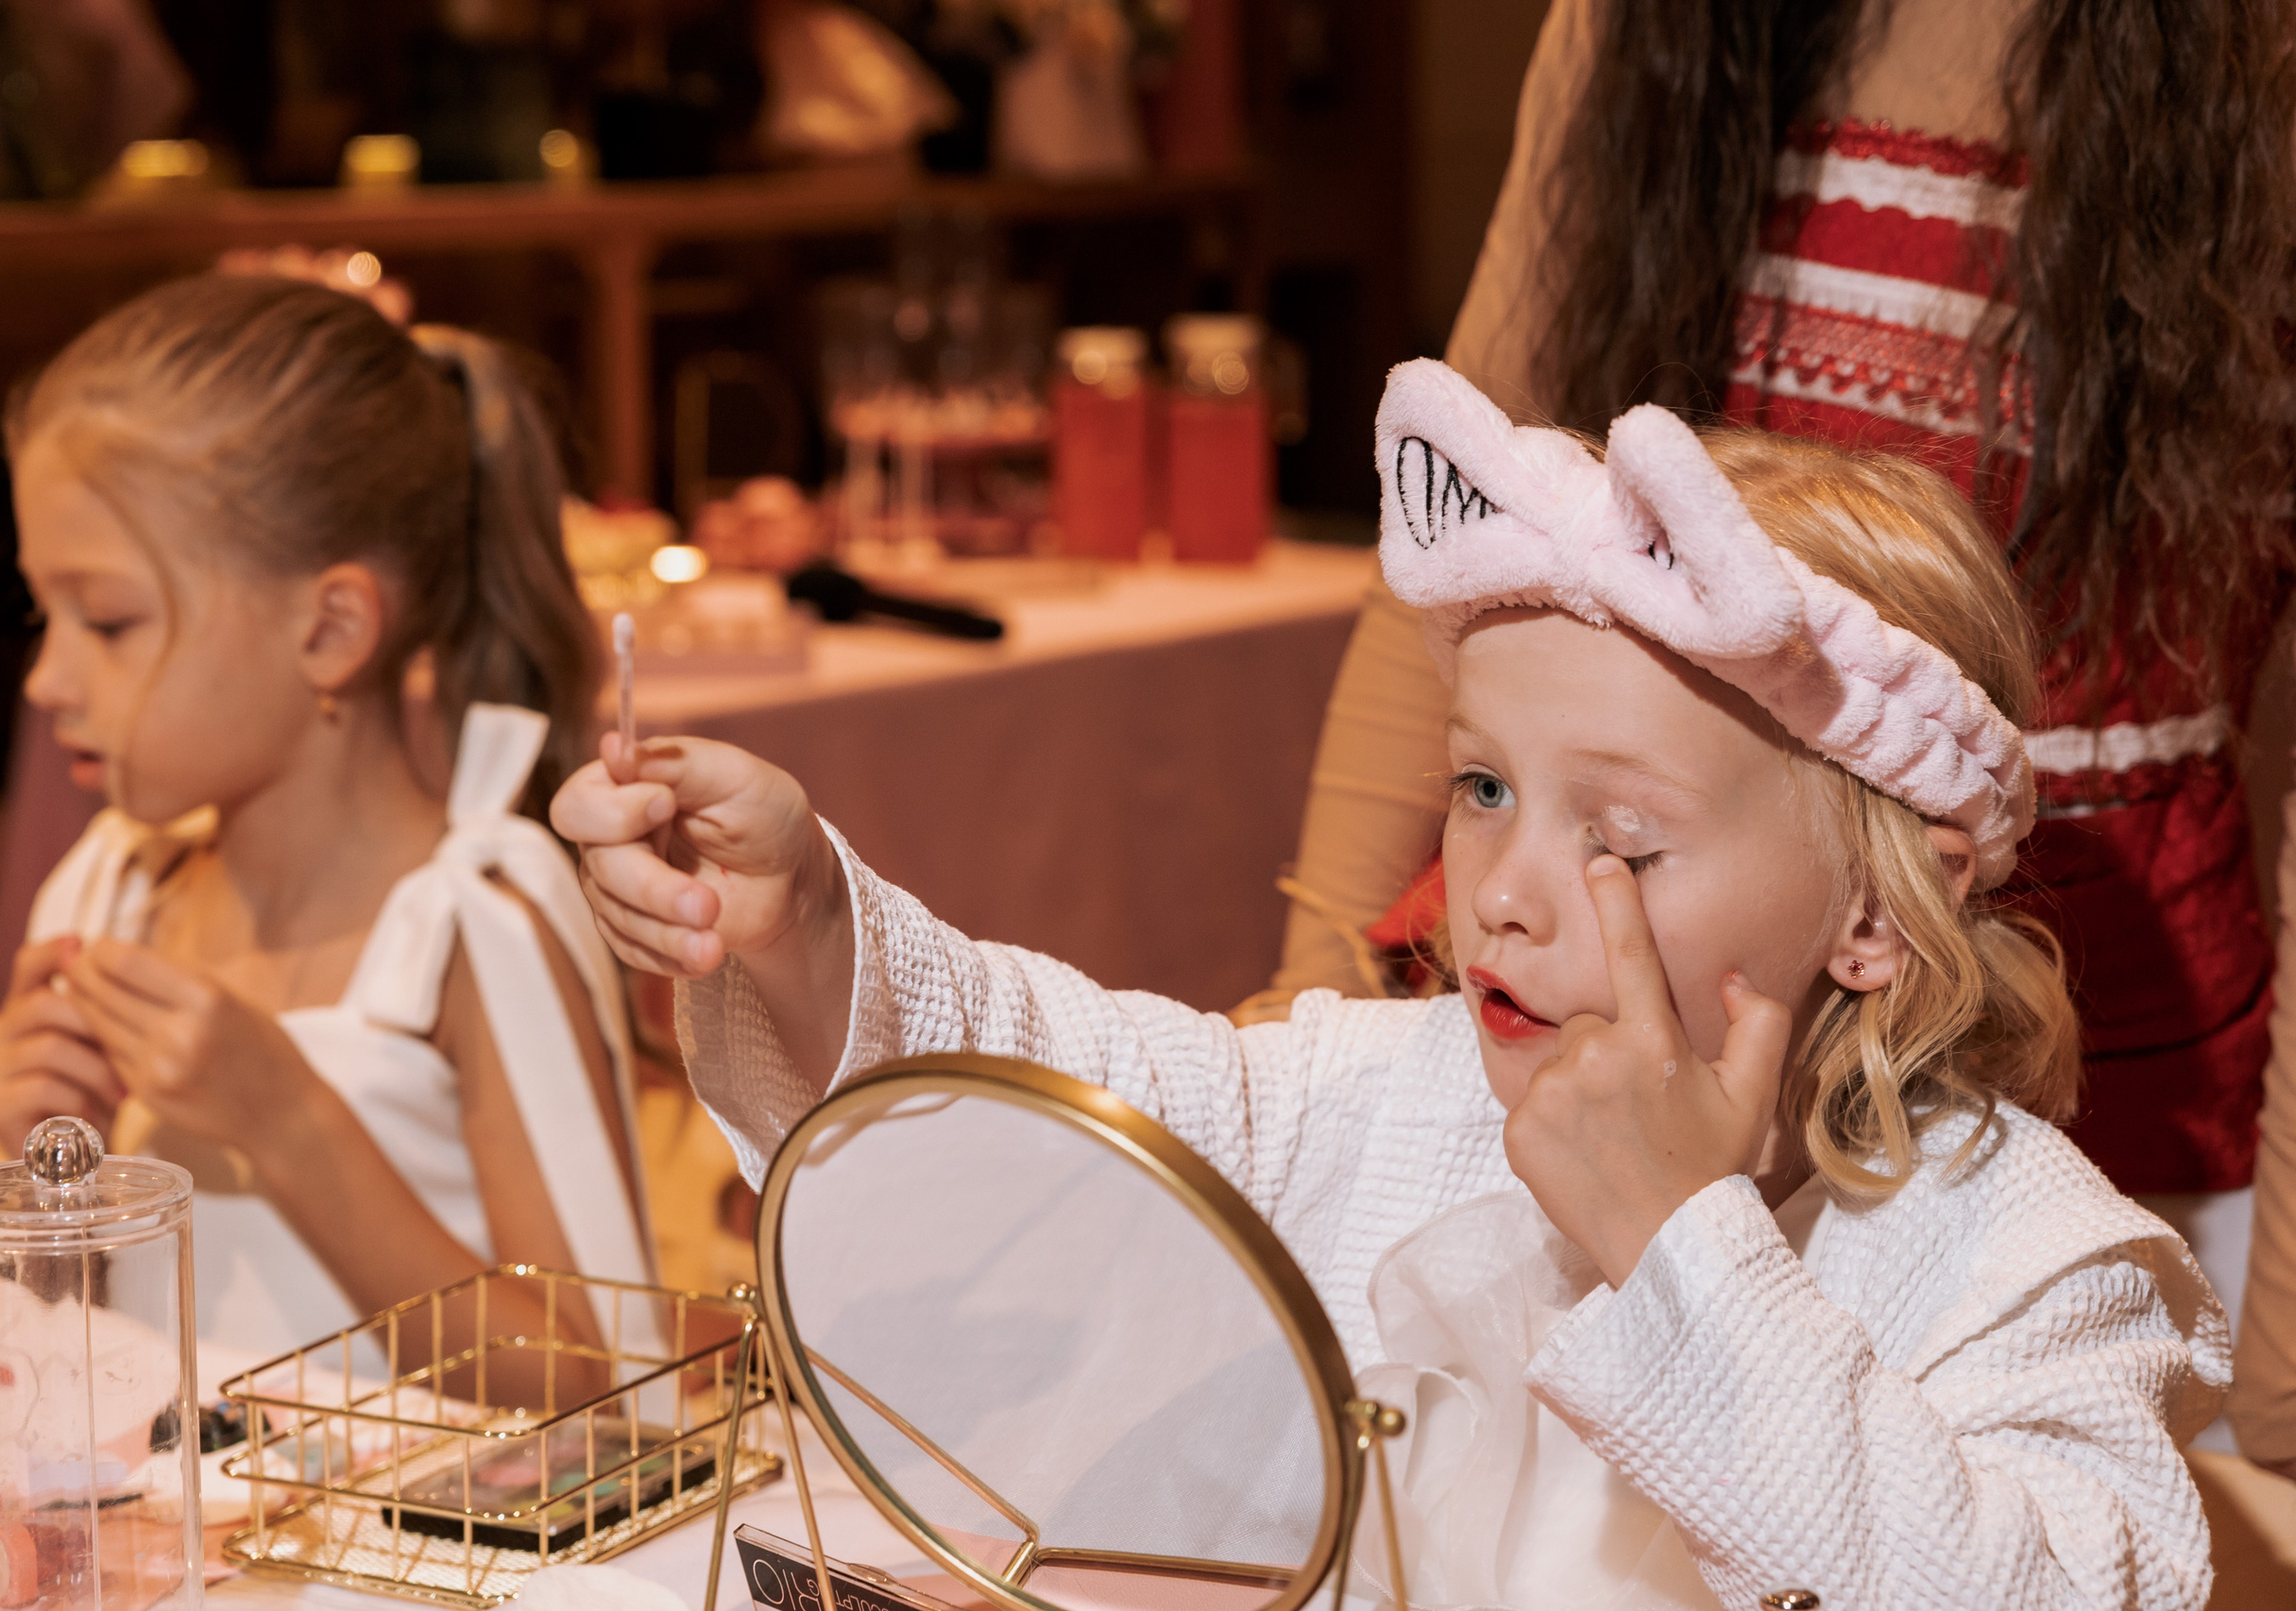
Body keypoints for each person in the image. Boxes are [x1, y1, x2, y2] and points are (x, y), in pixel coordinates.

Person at [554, 362, 2228, 1608]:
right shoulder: (1393, 1091)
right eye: (1486, 786)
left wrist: (1680, 1252)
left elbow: (2043, 1585)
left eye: (1621, 834)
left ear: (1878, 906)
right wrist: (805, 933)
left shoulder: (2030, 1268)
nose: (1498, 887)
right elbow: (1073, 1098)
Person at [1267, 0, 2296, 1470]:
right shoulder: (1637, 30)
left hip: (2119, 1102)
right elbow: (1464, 541)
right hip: (1673, 1049)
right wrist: (1321, 983)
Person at [0, 273, 654, 1357]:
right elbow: (86, 1352)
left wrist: (292, 1124)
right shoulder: (105, 894)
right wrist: (48, 1164)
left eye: (106, 619)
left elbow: (607, 1388)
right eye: (40, 610)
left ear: (333, 628)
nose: (46, 677)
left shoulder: (474, 924)